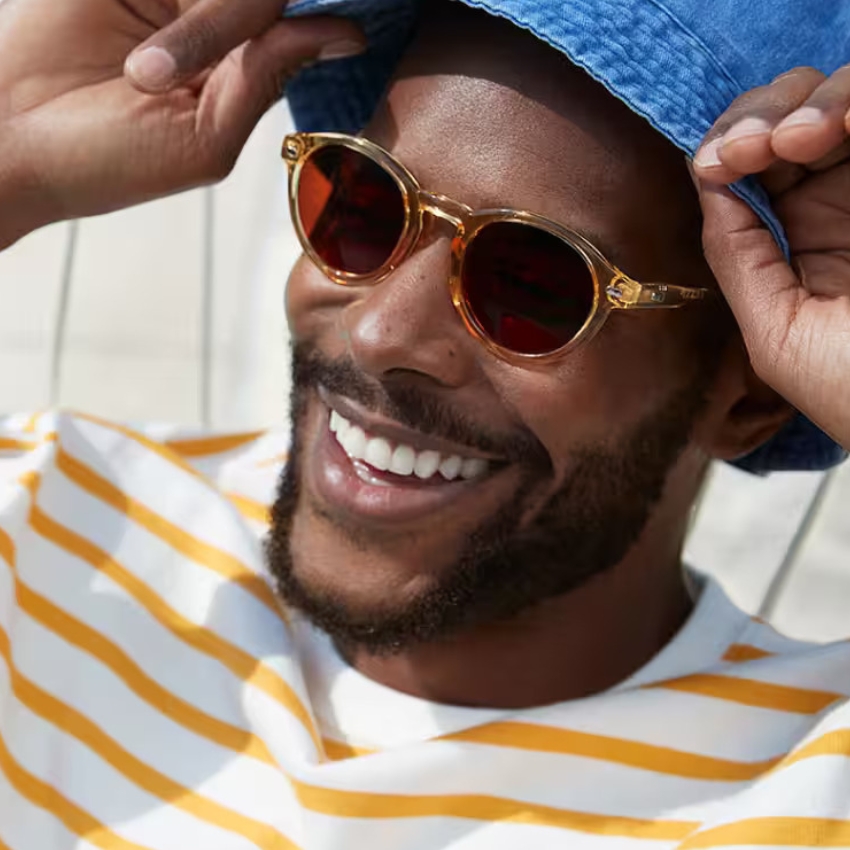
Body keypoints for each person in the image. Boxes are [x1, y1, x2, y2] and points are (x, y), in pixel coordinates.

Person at [0, 0, 848, 846]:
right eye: (362, 208)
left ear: (750, 395)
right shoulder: (44, 515)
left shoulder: (816, 782)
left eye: (534, 284)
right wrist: (12, 162)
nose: (379, 333)